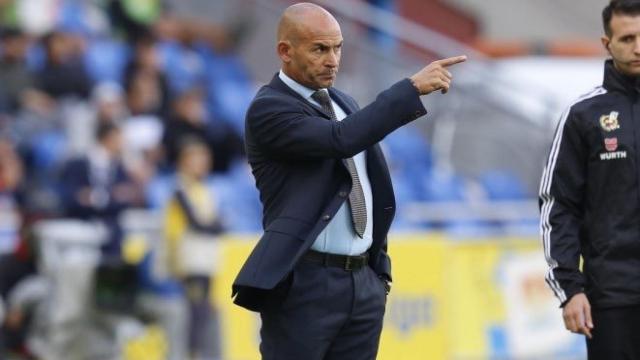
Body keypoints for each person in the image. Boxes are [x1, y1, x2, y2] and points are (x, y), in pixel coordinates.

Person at [231, 3, 465, 359]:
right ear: (285, 51)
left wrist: (377, 274)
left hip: (361, 284)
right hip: (305, 284)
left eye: (338, 47)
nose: (332, 59)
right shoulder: (269, 108)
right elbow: (340, 139)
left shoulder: (343, 101)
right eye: (319, 49)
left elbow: (365, 176)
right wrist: (410, 89)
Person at [540, 1, 640, 358]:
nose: (638, 47)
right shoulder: (583, 116)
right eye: (628, 38)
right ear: (607, 43)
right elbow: (558, 207)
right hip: (613, 298)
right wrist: (570, 288)